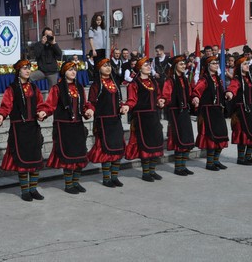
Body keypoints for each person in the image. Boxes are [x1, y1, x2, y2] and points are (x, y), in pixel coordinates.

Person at [0, 59, 46, 202]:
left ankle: (33, 189)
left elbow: (41, 104)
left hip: (33, 127)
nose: (27, 71)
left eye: (29, 68)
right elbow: (5, 106)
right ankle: (25, 191)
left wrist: (42, 112)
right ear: (18, 71)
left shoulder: (34, 88)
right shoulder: (11, 89)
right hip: (19, 129)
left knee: (35, 159)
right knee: (23, 161)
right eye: (24, 68)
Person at [41, 61, 94, 194]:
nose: (73, 72)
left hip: (77, 125)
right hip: (63, 126)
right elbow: (50, 105)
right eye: (70, 69)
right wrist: (43, 112)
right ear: (64, 72)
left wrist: (89, 110)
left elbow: (84, 105)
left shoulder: (80, 87)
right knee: (68, 157)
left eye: (74, 69)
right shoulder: (57, 88)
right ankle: (68, 184)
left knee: (80, 155)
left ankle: (76, 182)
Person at [87, 59, 129, 187]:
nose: (108, 68)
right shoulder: (96, 85)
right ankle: (106, 178)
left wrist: (123, 107)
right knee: (106, 151)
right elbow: (91, 102)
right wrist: (90, 110)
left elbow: (120, 100)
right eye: (104, 66)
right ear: (99, 68)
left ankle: (115, 177)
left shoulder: (115, 82)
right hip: (103, 121)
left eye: (109, 65)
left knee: (117, 148)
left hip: (115, 120)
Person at [124, 57, 164, 182]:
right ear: (140, 68)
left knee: (156, 143)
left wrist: (161, 101)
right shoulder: (134, 84)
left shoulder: (154, 82)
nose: (149, 67)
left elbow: (159, 96)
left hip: (154, 116)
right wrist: (127, 106)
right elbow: (132, 99)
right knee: (145, 145)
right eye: (146, 65)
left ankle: (152, 170)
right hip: (141, 118)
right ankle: (145, 173)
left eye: (149, 65)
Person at [159, 55, 195, 176]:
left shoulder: (184, 79)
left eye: (184, 64)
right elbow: (165, 95)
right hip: (175, 112)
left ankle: (183, 166)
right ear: (175, 67)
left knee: (186, 138)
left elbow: (189, 93)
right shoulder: (170, 80)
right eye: (181, 64)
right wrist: (163, 100)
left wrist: (194, 99)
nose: (184, 66)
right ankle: (178, 167)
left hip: (184, 111)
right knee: (179, 139)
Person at [191, 56, 229, 171]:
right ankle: (210, 163)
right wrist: (196, 97)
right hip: (208, 111)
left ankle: (216, 161)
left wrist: (226, 94)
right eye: (213, 63)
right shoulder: (204, 80)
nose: (216, 65)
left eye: (217, 62)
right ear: (208, 66)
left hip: (217, 110)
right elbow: (196, 91)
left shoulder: (218, 79)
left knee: (222, 135)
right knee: (211, 137)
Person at [225, 56, 252, 166]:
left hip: (249, 108)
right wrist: (230, 93)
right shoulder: (236, 79)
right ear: (240, 67)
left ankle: (249, 156)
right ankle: (241, 158)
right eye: (245, 64)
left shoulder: (248, 79)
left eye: (247, 64)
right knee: (243, 133)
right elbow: (232, 87)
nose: (247, 66)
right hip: (241, 110)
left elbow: (251, 94)